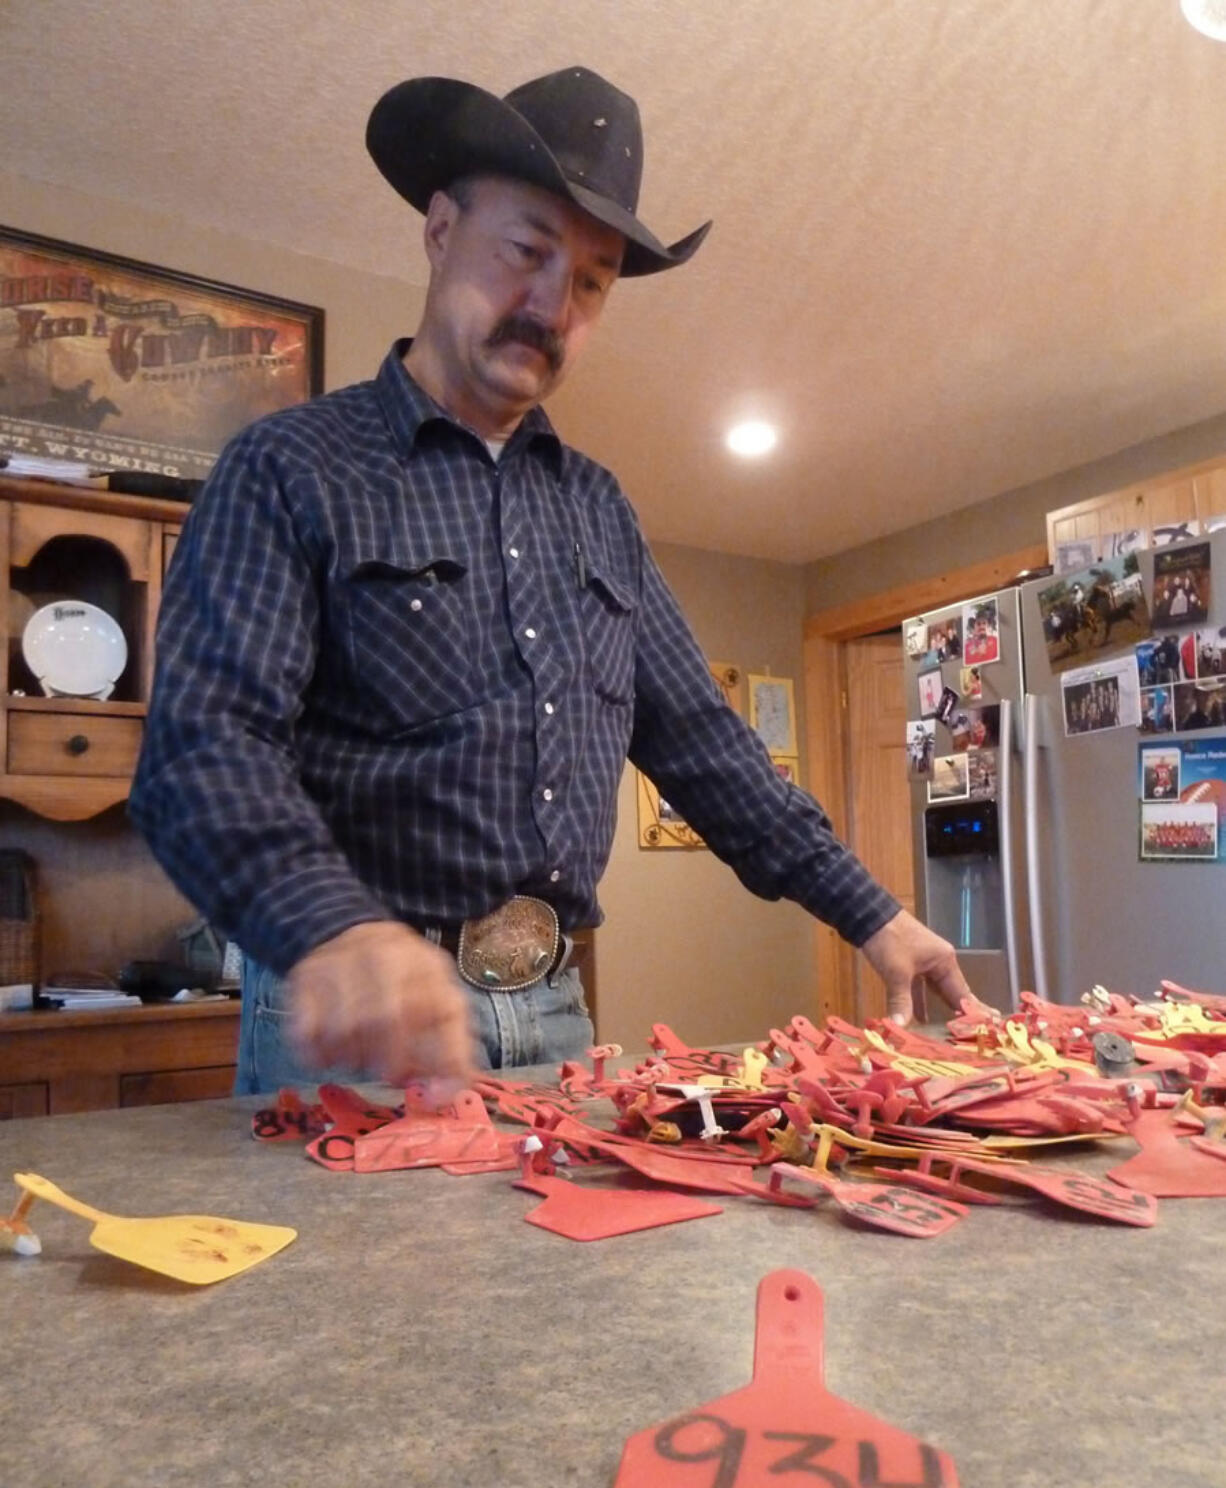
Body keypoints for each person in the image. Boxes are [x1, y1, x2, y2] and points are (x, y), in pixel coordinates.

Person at [129, 65, 970, 1098]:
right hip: (358, 1019)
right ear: (440, 230)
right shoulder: (288, 468)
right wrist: (333, 929)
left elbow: (704, 745)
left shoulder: (600, 508)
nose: (550, 305)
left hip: (555, 1008)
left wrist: (872, 914)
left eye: (590, 281)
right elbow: (201, 751)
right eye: (526, 252)